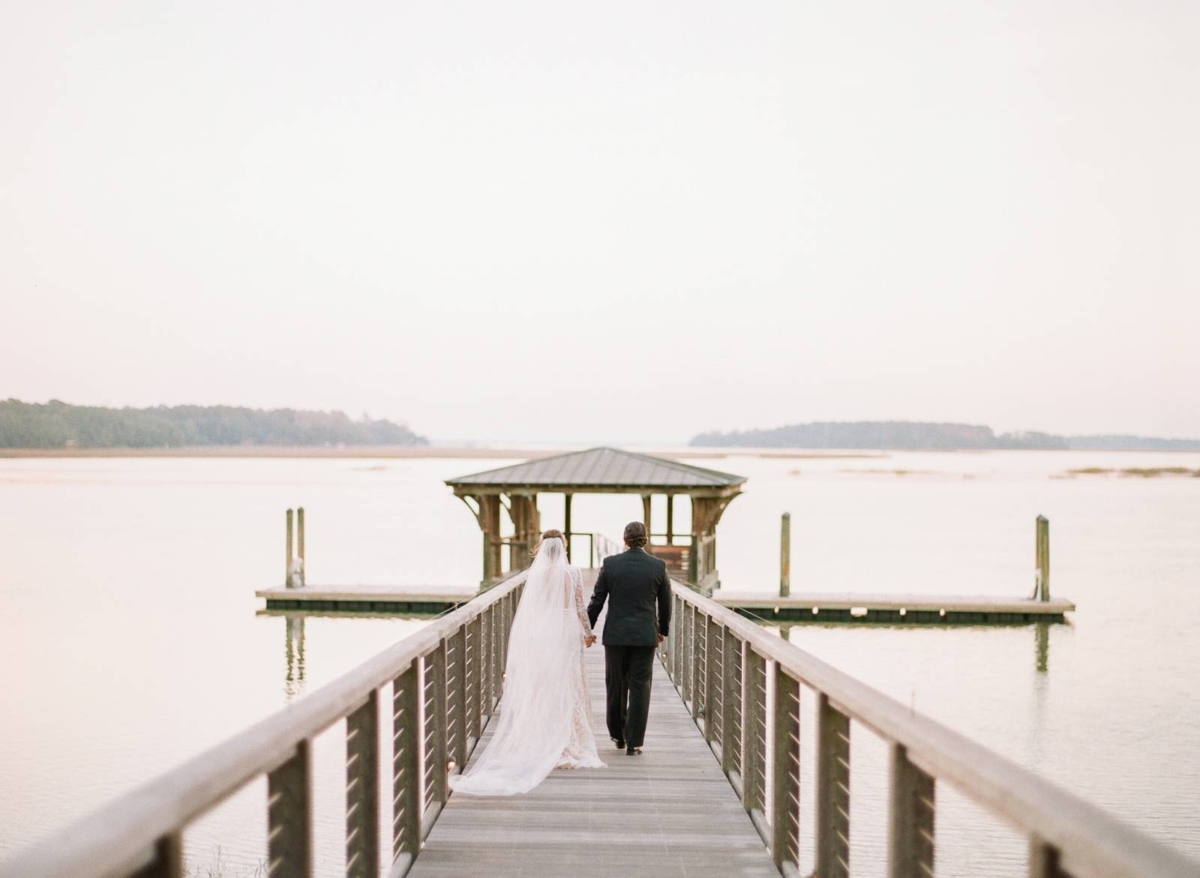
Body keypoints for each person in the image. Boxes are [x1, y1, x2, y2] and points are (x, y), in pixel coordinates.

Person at [449, 530, 604, 796]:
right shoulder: (573, 573)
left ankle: (542, 738)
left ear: (542, 550)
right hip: (565, 631)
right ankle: (568, 741)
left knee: (543, 683)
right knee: (567, 682)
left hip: (543, 632)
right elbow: (580, 607)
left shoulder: (537, 574)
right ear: (564, 548)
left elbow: (534, 609)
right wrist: (588, 633)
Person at [586, 520, 671, 755]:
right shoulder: (658, 566)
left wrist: (586, 628)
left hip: (615, 636)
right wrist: (662, 629)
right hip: (645, 636)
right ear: (646, 539)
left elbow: (597, 600)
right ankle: (634, 742)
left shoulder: (610, 564)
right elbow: (665, 603)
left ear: (624, 540)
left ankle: (617, 734)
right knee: (640, 686)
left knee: (615, 684)